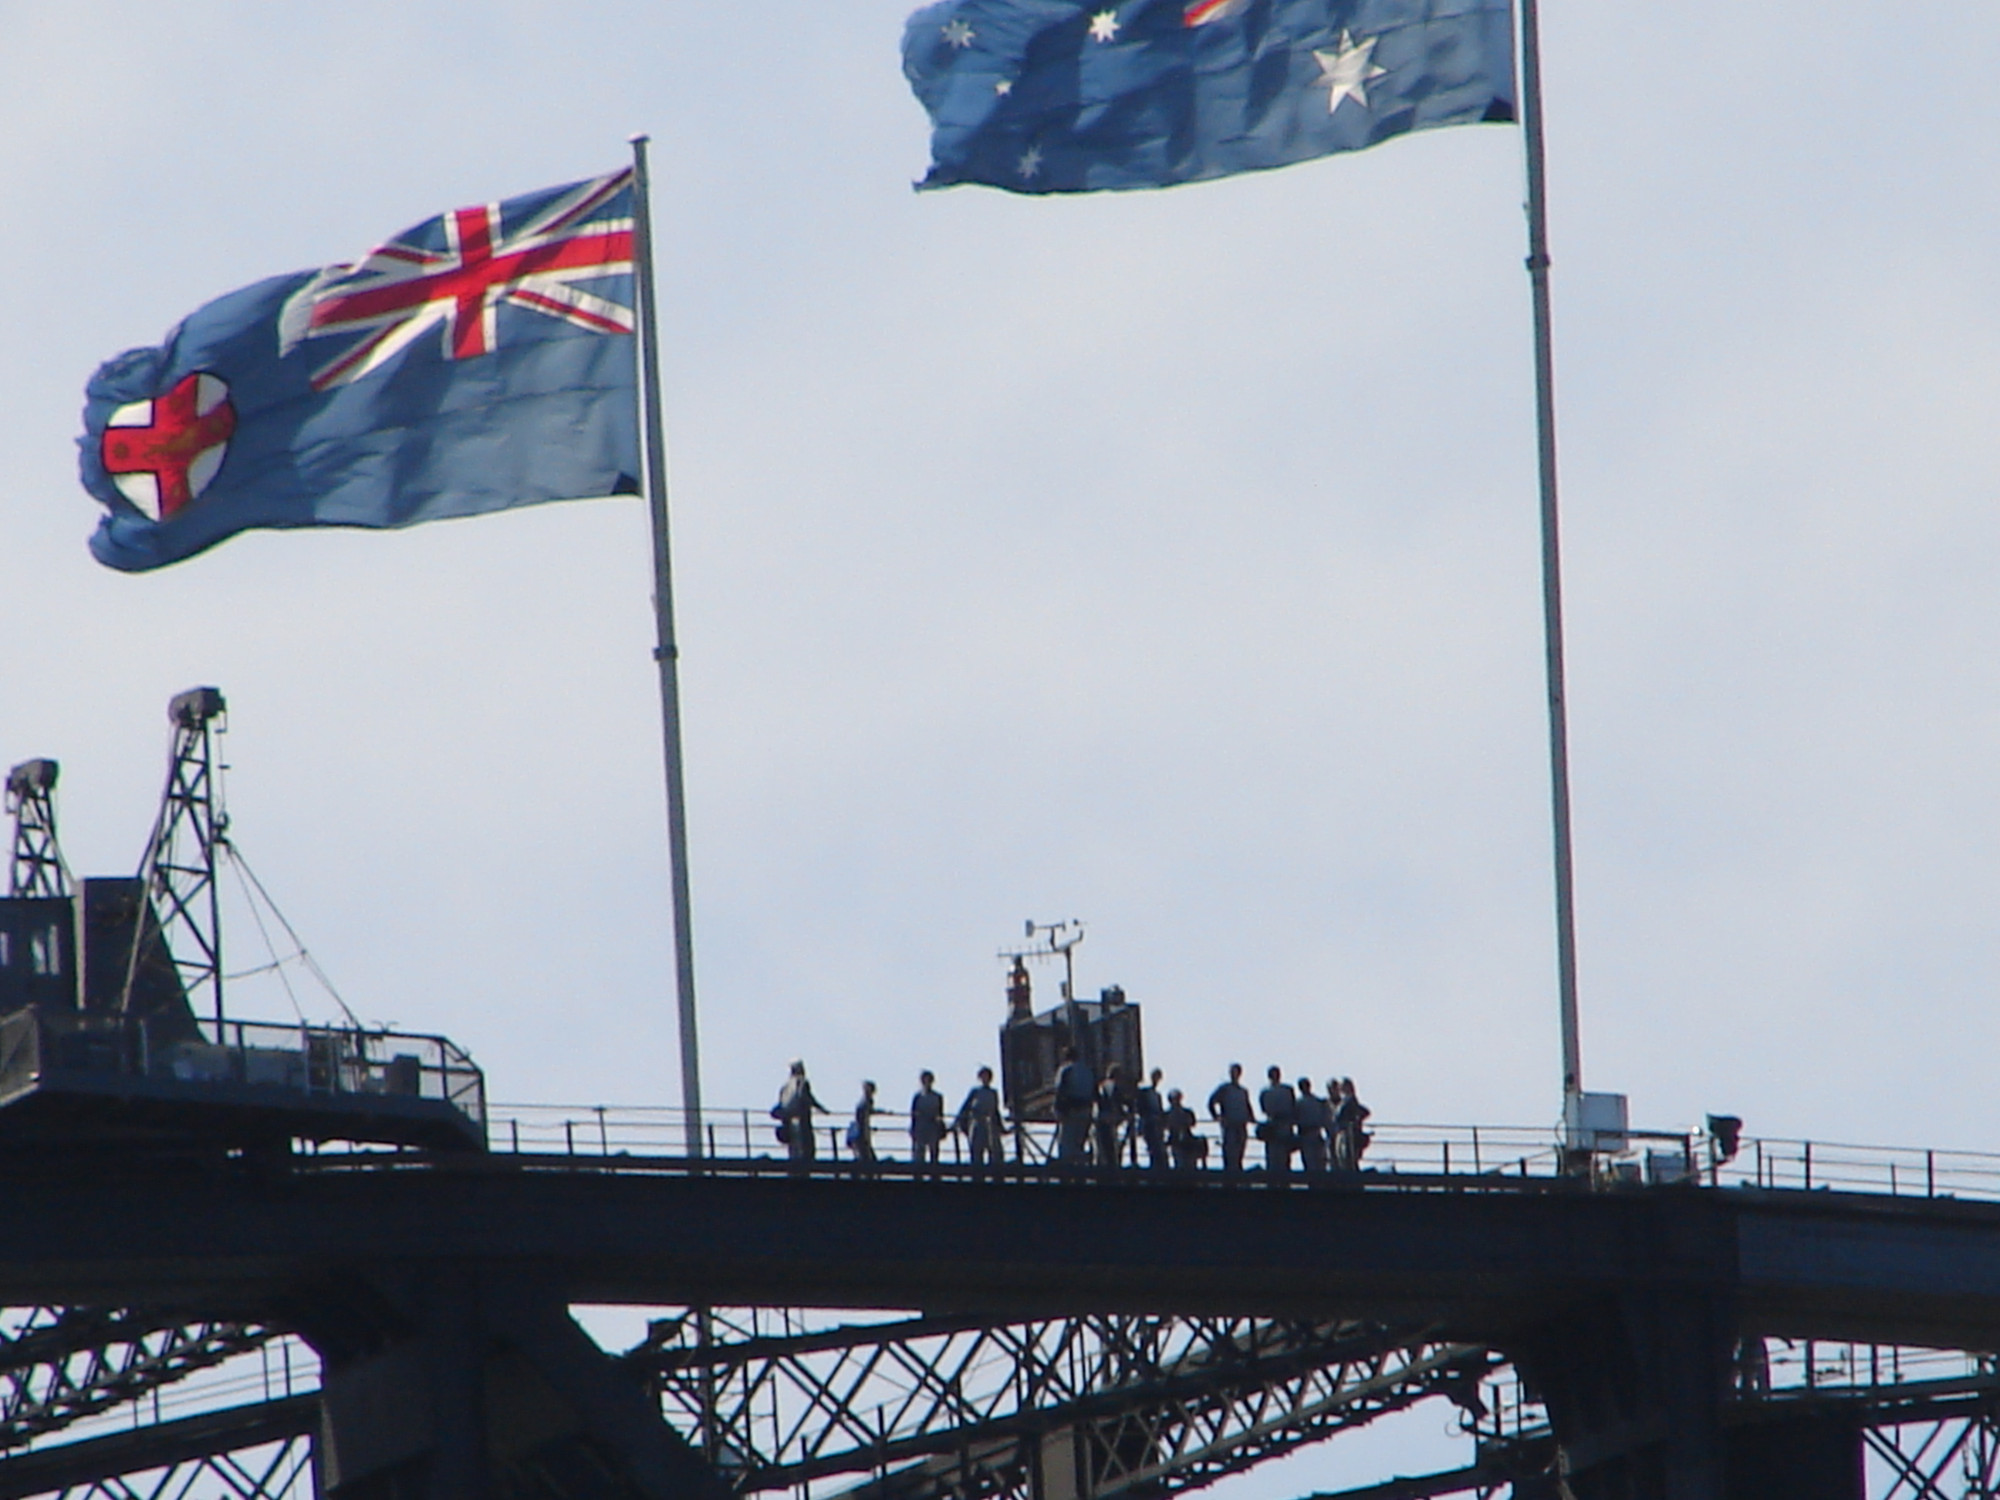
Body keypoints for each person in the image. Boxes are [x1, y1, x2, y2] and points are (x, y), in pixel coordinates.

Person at [955, 1066, 1004, 1176]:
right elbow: (965, 1107)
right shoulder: (975, 1092)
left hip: (990, 1123)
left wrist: (1001, 1127)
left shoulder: (993, 1093)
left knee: (994, 1149)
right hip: (977, 1123)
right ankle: (977, 1173)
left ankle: (995, 1172)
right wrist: (958, 1122)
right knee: (977, 1149)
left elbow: (995, 1110)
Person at [775, 1060, 824, 1167]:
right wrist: (821, 1109)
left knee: (794, 1151)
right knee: (807, 1150)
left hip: (789, 1122)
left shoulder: (785, 1087)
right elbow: (807, 1098)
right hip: (802, 1121)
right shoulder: (802, 1082)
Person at [1053, 1045, 1095, 1167]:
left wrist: (1058, 1110)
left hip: (1070, 1111)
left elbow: (1060, 1090)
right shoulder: (1088, 1070)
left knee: (1066, 1144)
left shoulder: (1066, 1070)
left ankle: (1067, 1171)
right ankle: (1081, 1167)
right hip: (1086, 1110)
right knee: (1079, 1143)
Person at [1208, 1063, 1253, 1175]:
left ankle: (1238, 1173)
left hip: (1241, 1125)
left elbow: (1247, 1106)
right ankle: (1229, 1175)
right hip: (1230, 1125)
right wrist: (1217, 1116)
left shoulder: (1243, 1091)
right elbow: (1211, 1102)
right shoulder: (1224, 1089)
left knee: (1240, 1151)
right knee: (1229, 1152)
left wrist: (1251, 1118)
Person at [1258, 1065, 1297, 1179]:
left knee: (1284, 1155)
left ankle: (1283, 1179)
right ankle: (1274, 1179)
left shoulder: (1287, 1090)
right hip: (1272, 1126)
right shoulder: (1266, 1091)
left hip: (1284, 1125)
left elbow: (1292, 1107)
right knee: (1272, 1155)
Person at [1332, 1076, 1372, 1170]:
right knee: (1344, 1160)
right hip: (1344, 1133)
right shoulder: (1347, 1101)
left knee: (1348, 1161)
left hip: (1347, 1134)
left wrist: (1355, 1121)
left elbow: (1364, 1112)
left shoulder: (1349, 1101)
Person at [1093, 1063, 1128, 1169]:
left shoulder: (1101, 1085)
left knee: (1100, 1151)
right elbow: (1115, 1101)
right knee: (1108, 1150)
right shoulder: (1111, 1086)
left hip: (1099, 1120)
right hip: (1106, 1121)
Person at [911, 1070, 947, 1171]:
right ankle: (918, 1174)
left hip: (933, 1127)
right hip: (920, 1127)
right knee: (919, 1153)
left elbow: (940, 1113)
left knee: (934, 1152)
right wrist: (913, 1129)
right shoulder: (917, 1097)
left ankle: (934, 1173)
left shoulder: (938, 1097)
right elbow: (913, 1114)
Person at [1135, 1067, 1168, 1171]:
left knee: (1158, 1146)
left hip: (1156, 1124)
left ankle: (1159, 1167)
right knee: (1153, 1146)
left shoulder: (1157, 1095)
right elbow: (1140, 1108)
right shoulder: (1144, 1092)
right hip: (1148, 1123)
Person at [1295, 1076, 1329, 1175]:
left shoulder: (1299, 1103)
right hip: (1312, 1134)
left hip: (1308, 1135)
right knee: (1316, 1163)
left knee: (1312, 1163)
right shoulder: (1317, 1102)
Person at [1164, 1087, 1203, 1171]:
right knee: (1179, 1163)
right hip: (1175, 1141)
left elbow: (1192, 1123)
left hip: (1188, 1141)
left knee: (1190, 1163)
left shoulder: (1187, 1112)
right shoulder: (1167, 1114)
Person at [848, 1080, 878, 1168]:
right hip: (862, 1131)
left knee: (864, 1155)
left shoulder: (865, 1100)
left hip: (861, 1130)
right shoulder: (867, 1101)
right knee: (865, 1155)